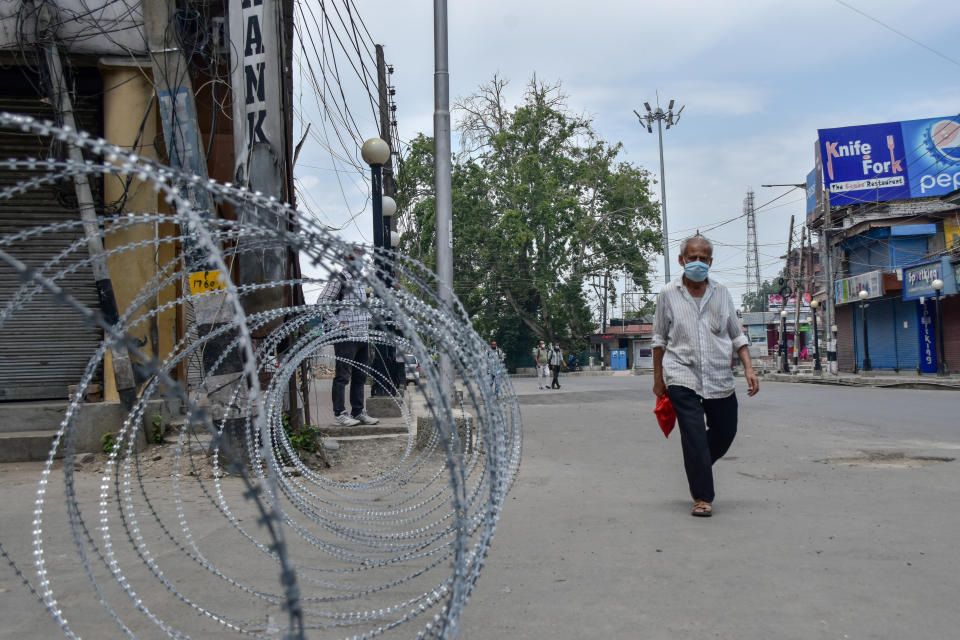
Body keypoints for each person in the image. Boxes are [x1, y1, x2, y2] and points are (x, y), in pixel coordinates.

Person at [652, 234, 759, 518]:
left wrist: (749, 368)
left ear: (710, 261)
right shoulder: (667, 294)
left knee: (726, 432)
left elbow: (737, 335)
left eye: (703, 258)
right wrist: (658, 379)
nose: (697, 263)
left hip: (719, 377)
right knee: (695, 434)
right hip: (680, 374)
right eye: (692, 258)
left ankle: (696, 464)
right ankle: (703, 497)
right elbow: (659, 339)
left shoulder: (722, 293)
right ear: (681, 260)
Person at [317, 248, 380, 427]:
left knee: (360, 376)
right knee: (343, 376)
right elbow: (322, 302)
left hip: (362, 336)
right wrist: (337, 324)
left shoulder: (360, 281)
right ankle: (340, 413)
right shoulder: (340, 279)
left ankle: (358, 411)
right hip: (346, 336)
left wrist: (367, 317)